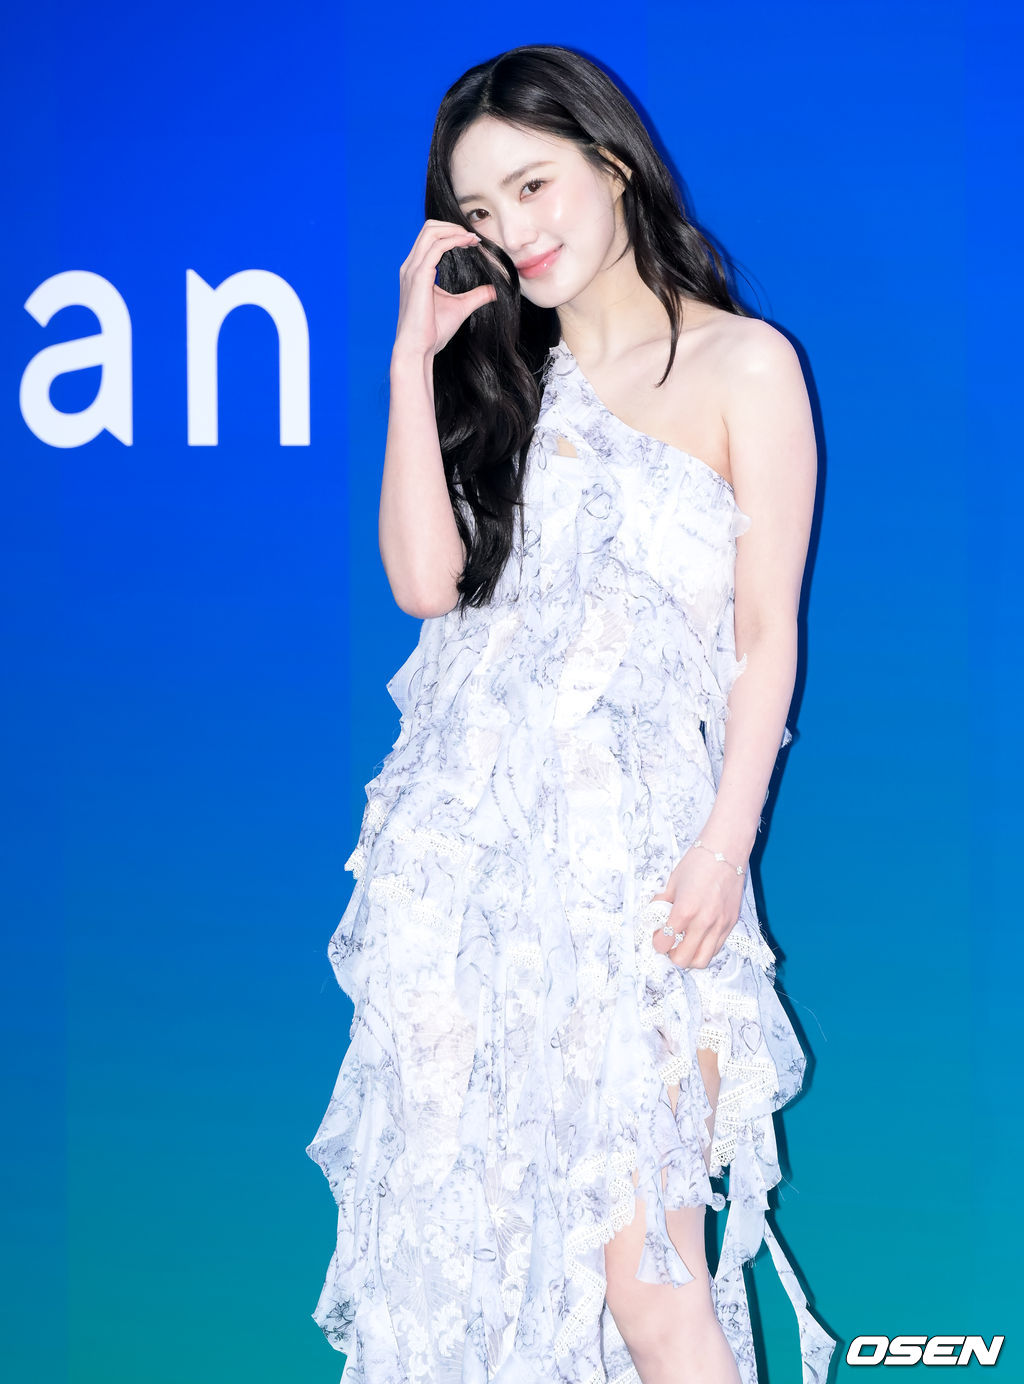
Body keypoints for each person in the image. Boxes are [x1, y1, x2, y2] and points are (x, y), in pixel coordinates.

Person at [306, 42, 836, 1384]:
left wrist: (723, 847)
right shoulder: (502, 385)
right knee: (471, 1261)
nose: (516, 231)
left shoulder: (745, 366)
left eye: (534, 186)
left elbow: (766, 636)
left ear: (612, 165)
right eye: (482, 210)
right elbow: (425, 586)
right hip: (471, 883)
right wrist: (412, 362)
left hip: (640, 875)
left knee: (650, 1280)